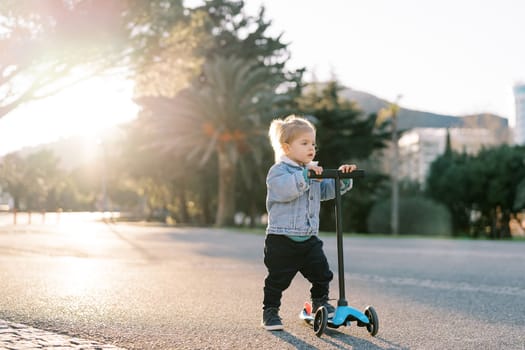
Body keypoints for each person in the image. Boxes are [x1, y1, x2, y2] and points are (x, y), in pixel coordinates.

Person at [262, 114, 357, 331]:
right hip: (281, 239)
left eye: (313, 143)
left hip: (308, 239)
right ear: (286, 148)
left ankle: (320, 303)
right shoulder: (278, 172)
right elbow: (285, 191)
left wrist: (342, 179)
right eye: (304, 143)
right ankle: (270, 311)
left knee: (322, 274)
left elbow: (324, 192)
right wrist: (306, 176)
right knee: (277, 280)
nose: (311, 148)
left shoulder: (313, 171)